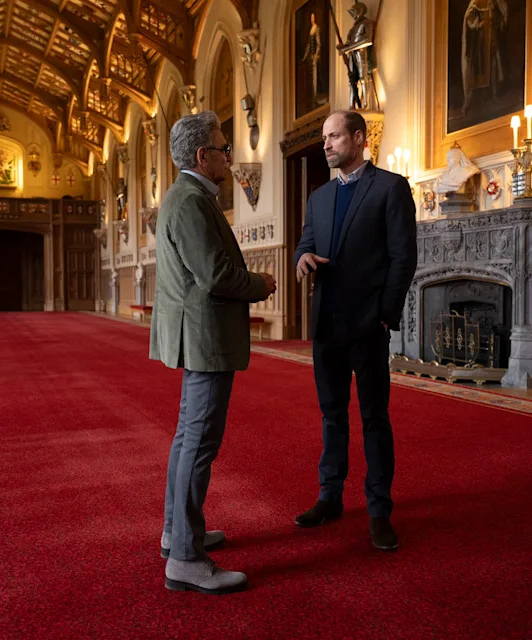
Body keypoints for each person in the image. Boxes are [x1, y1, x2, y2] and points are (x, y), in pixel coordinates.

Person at [150, 110, 276, 594]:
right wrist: (260, 284)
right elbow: (217, 276)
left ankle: (178, 533)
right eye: (224, 149)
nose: (229, 157)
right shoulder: (189, 202)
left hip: (200, 334)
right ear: (203, 157)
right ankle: (184, 557)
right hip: (205, 337)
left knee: (188, 438)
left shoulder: (188, 197)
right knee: (198, 442)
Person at [293, 110, 417, 550]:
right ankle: (330, 497)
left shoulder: (390, 187)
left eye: (334, 136)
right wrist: (301, 260)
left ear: (359, 138)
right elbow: (306, 244)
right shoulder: (319, 197)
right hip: (326, 322)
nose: (326, 144)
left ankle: (379, 508)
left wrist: (386, 313)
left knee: (373, 418)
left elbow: (404, 257)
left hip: (368, 323)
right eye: (324, 138)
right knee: (331, 415)